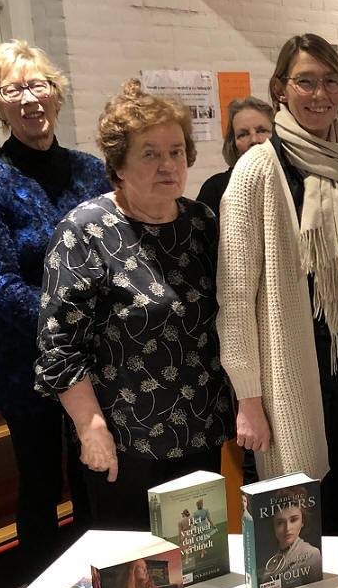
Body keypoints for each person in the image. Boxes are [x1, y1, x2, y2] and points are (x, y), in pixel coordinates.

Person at [35, 79, 235, 529]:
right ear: (118, 166)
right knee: (134, 575)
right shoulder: (84, 231)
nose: (168, 165)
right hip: (125, 441)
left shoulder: (202, 223)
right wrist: (91, 428)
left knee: (200, 566)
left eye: (176, 151)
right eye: (150, 153)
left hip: (200, 430)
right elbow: (59, 345)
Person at [217, 34, 338, 536]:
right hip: (291, 367)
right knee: (296, 515)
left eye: (331, 81)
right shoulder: (256, 170)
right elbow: (236, 295)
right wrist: (247, 397)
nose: (319, 93)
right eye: (305, 81)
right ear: (281, 89)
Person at [0, 40, 111, 568]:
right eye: (12, 89)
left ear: (57, 95)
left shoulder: (92, 171)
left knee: (98, 475)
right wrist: (72, 334)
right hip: (31, 362)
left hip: (100, 357)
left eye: (38, 85)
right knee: (42, 482)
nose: (29, 99)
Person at [196, 96, 274, 219]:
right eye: (243, 134)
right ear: (233, 144)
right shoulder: (215, 189)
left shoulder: (295, 181)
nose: (254, 140)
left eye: (261, 131)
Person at [264, 486, 321, 579]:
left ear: (302, 521)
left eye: (294, 520)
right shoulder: (274, 556)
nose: (288, 528)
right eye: (280, 523)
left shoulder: (311, 554)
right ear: (273, 526)